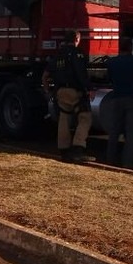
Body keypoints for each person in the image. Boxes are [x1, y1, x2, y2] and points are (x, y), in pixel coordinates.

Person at [42, 29, 92, 163]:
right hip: (74, 91)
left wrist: (48, 92)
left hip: (60, 92)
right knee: (85, 118)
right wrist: (88, 89)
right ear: (77, 39)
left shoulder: (58, 55)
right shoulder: (77, 54)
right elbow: (81, 74)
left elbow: (45, 76)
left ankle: (64, 151)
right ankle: (78, 149)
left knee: (64, 118)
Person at [104, 36, 133, 168]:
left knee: (114, 132)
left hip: (116, 98)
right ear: (130, 47)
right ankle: (127, 163)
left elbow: (108, 79)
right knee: (131, 133)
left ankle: (110, 160)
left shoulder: (112, 62)